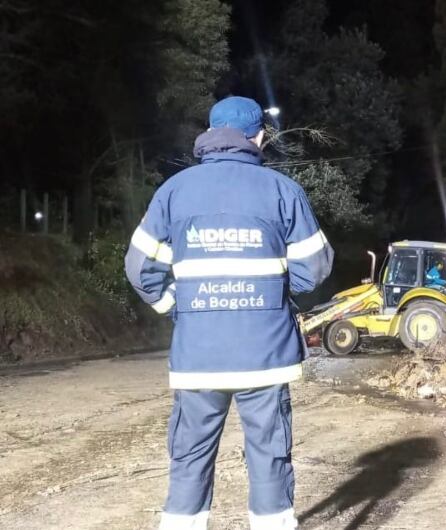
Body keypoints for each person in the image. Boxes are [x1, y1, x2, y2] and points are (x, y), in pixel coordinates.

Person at [124, 96, 334, 530]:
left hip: (199, 356)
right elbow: (315, 266)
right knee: (269, 454)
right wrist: (276, 296)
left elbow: (139, 268)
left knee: (190, 457)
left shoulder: (173, 191)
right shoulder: (282, 190)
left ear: (211, 134)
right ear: (258, 137)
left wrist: (178, 309)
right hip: (265, 354)